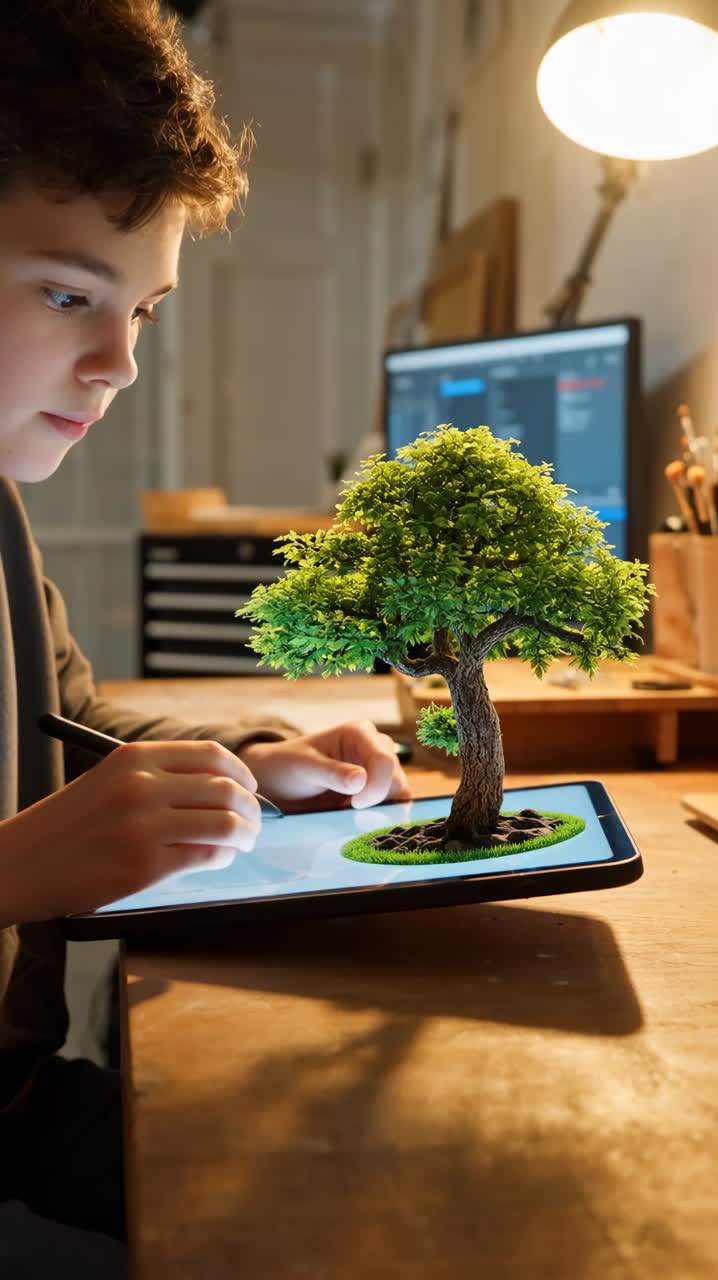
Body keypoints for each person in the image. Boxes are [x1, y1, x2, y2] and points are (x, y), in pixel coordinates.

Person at [0, 1, 411, 1271]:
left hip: (17, 1099)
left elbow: (74, 727)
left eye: (148, 311)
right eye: (71, 292)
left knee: (368, 1168)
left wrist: (256, 752)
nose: (121, 361)